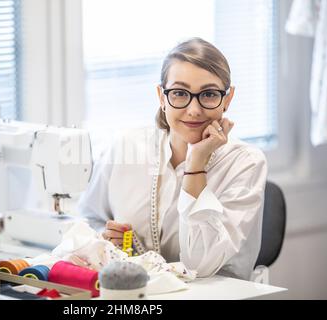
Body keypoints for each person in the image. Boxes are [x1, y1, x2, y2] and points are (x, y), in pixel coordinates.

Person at [77, 37, 267, 280]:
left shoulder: (247, 163)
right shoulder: (126, 145)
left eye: (208, 94)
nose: (194, 109)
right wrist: (103, 237)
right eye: (179, 93)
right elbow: (88, 217)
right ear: (161, 96)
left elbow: (200, 264)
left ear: (227, 99)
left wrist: (196, 164)